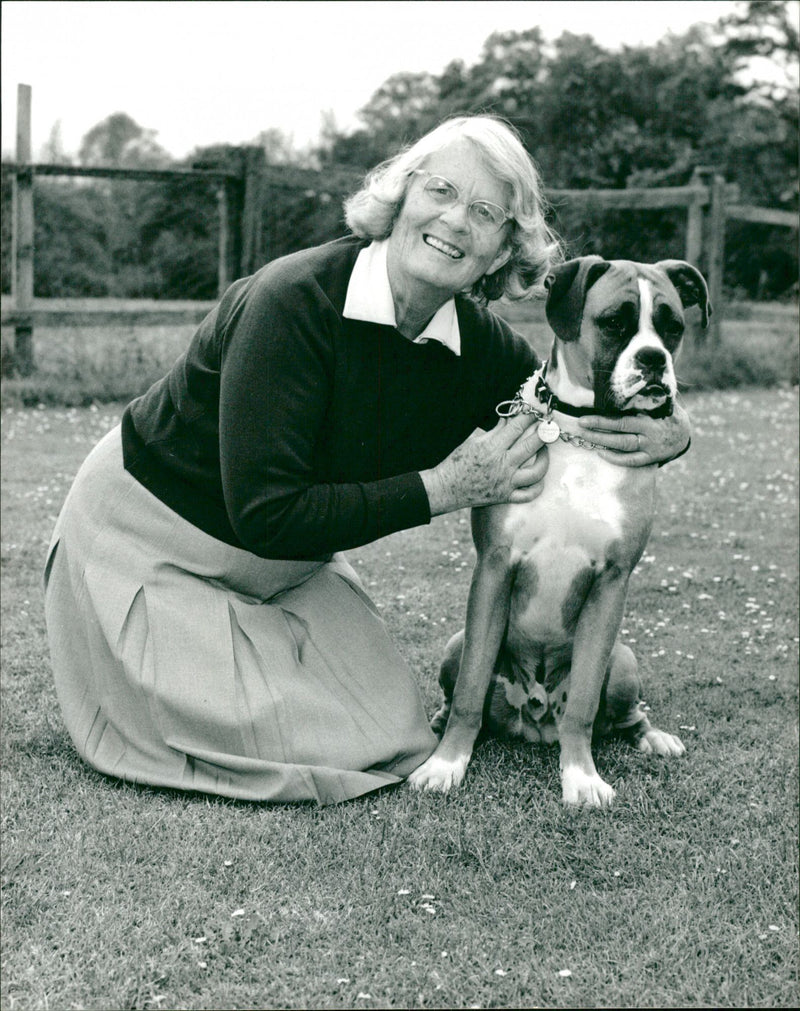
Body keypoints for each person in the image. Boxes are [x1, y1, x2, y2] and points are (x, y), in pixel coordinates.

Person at [44, 116, 691, 805]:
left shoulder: (483, 348)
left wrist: (673, 431)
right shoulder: (290, 301)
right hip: (154, 534)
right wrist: (442, 488)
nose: (455, 220)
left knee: (393, 736)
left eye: (485, 213)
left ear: (505, 248)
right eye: (440, 191)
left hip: (289, 566)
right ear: (399, 194)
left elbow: (561, 402)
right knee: (279, 742)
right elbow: (267, 512)